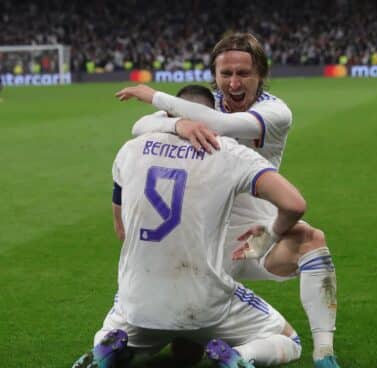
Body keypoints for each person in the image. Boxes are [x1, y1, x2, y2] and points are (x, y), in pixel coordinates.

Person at [115, 32, 339, 368]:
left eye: (243, 74)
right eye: (225, 74)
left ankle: (325, 354)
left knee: (311, 240)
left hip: (255, 235)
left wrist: (155, 96)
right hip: (201, 236)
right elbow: (140, 125)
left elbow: (222, 124)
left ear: (261, 75)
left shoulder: (274, 112)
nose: (234, 83)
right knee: (185, 353)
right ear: (215, 76)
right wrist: (178, 125)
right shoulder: (203, 104)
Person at [75, 85, 304, 368]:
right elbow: (294, 204)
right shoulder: (230, 153)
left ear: (168, 114)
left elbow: (121, 230)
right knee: (290, 341)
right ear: (213, 114)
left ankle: (108, 349)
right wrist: (269, 235)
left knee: (112, 333)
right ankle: (240, 358)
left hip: (138, 303)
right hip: (206, 304)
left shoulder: (129, 150)